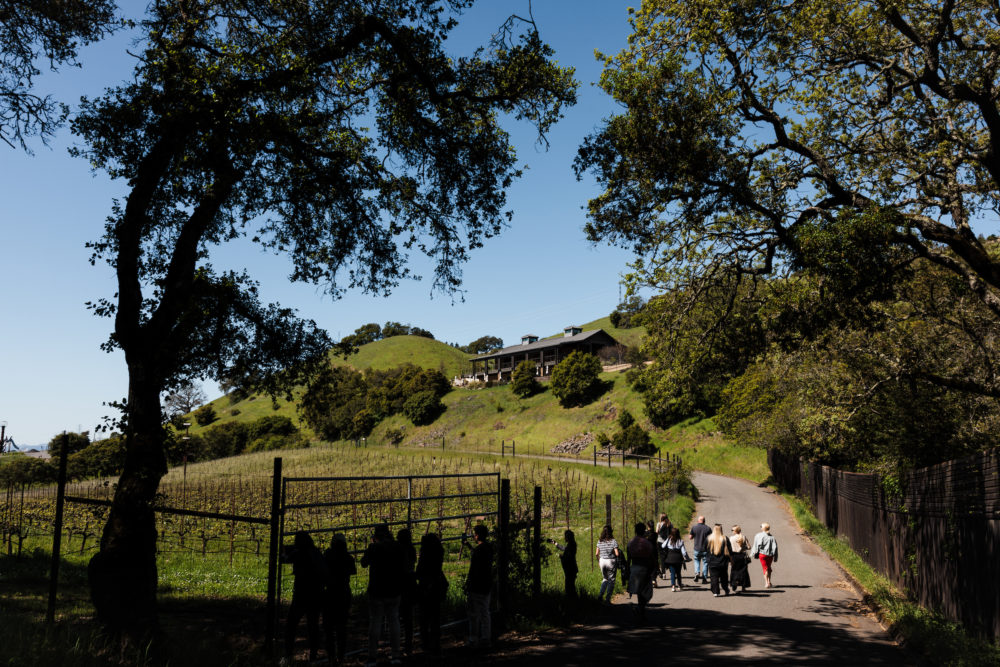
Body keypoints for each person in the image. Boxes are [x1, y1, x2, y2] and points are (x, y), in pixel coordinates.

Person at [281, 531, 328, 666]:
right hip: (316, 595)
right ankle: (313, 656)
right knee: (313, 626)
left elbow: (284, 558)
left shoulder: (298, 554)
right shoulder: (316, 553)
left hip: (301, 596)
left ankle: (288, 654)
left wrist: (285, 551)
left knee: (291, 625)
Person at [361, 523, 404, 667]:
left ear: (375, 536)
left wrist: (371, 547)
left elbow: (363, 563)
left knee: (375, 622)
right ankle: (396, 654)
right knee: (394, 621)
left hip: (377, 590)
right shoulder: (397, 546)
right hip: (394, 589)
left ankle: (372, 656)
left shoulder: (374, 548)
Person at [323, 532, 356, 665]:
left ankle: (331, 656)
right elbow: (353, 571)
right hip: (344, 593)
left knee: (329, 627)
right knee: (342, 627)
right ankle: (341, 656)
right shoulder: (348, 558)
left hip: (330, 593)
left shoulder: (328, 556)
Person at [415, 533, 447, 656]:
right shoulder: (439, 554)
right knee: (435, 618)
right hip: (437, 587)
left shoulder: (424, 557)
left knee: (424, 618)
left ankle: (425, 643)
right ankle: (436, 644)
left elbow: (419, 571)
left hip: (426, 588)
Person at [465, 524, 494, 648]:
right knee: (485, 612)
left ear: (477, 535)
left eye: (474, 534)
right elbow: (477, 553)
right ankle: (486, 638)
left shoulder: (479, 551)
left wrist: (468, 583)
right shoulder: (488, 548)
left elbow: (474, 568)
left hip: (476, 586)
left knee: (473, 614)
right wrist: (469, 546)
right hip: (486, 584)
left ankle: (473, 639)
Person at [626, 522, 655, 620]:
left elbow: (628, 558)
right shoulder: (647, 543)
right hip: (645, 568)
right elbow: (651, 557)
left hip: (634, 567)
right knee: (646, 591)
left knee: (639, 591)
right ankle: (640, 609)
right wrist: (654, 568)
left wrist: (627, 570)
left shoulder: (631, 543)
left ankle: (640, 610)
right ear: (644, 531)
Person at [396, 528, 417, 656]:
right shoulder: (412, 549)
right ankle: (408, 645)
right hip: (411, 583)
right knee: (409, 617)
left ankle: (397, 645)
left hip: (400, 584)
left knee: (397, 616)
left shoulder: (399, 550)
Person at [595, 524, 620, 605]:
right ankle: (607, 599)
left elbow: (596, 553)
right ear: (611, 532)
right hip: (611, 561)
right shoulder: (613, 541)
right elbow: (617, 554)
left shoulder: (600, 541)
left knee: (605, 579)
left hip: (602, 561)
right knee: (611, 581)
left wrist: (599, 561)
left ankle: (600, 595)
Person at [706, 523, 733, 597]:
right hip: (723, 562)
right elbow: (730, 550)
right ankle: (726, 589)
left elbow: (705, 549)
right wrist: (731, 560)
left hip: (712, 561)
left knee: (714, 577)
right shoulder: (725, 538)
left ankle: (715, 591)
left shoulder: (709, 538)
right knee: (724, 577)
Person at [551, 529, 578, 599]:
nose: (564, 538)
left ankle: (572, 603)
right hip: (571, 570)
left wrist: (561, 557)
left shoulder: (571, 546)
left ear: (568, 537)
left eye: (565, 536)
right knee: (571, 587)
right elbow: (564, 548)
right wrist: (555, 543)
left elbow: (568, 557)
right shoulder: (572, 544)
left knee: (569, 588)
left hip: (570, 570)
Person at [751, 522, 779, 588]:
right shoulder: (772, 537)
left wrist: (752, 553)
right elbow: (775, 548)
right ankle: (769, 582)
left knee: (765, 568)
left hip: (762, 555)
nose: (760, 527)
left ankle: (766, 583)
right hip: (770, 555)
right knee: (769, 567)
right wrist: (775, 557)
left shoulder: (758, 535)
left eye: (761, 526)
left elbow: (755, 545)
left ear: (763, 528)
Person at [662, 526, 688, 591]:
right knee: (678, 573)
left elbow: (663, 546)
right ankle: (679, 585)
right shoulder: (680, 541)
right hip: (678, 559)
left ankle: (673, 586)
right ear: (678, 533)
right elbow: (684, 552)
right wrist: (687, 558)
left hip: (670, 559)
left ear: (671, 533)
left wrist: (668, 539)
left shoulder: (669, 540)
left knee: (672, 573)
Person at [688, 515, 712, 583]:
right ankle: (704, 577)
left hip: (697, 548)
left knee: (696, 561)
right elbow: (711, 539)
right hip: (705, 549)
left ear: (698, 521)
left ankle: (697, 573)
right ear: (704, 521)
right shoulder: (708, 528)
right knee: (705, 563)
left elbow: (690, 537)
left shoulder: (694, 527)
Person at [728, 525, 752, 593]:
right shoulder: (744, 537)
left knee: (734, 571)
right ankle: (743, 587)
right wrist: (743, 548)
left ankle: (734, 584)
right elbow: (749, 547)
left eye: (732, 530)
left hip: (734, 556)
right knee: (743, 572)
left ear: (735, 531)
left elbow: (729, 548)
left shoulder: (731, 538)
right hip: (742, 556)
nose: (732, 531)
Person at [654, 513, 672, 579]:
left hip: (660, 542)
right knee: (668, 556)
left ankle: (663, 573)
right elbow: (672, 532)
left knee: (662, 558)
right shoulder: (670, 523)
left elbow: (656, 532)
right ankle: (671, 571)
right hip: (668, 542)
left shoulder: (659, 524)